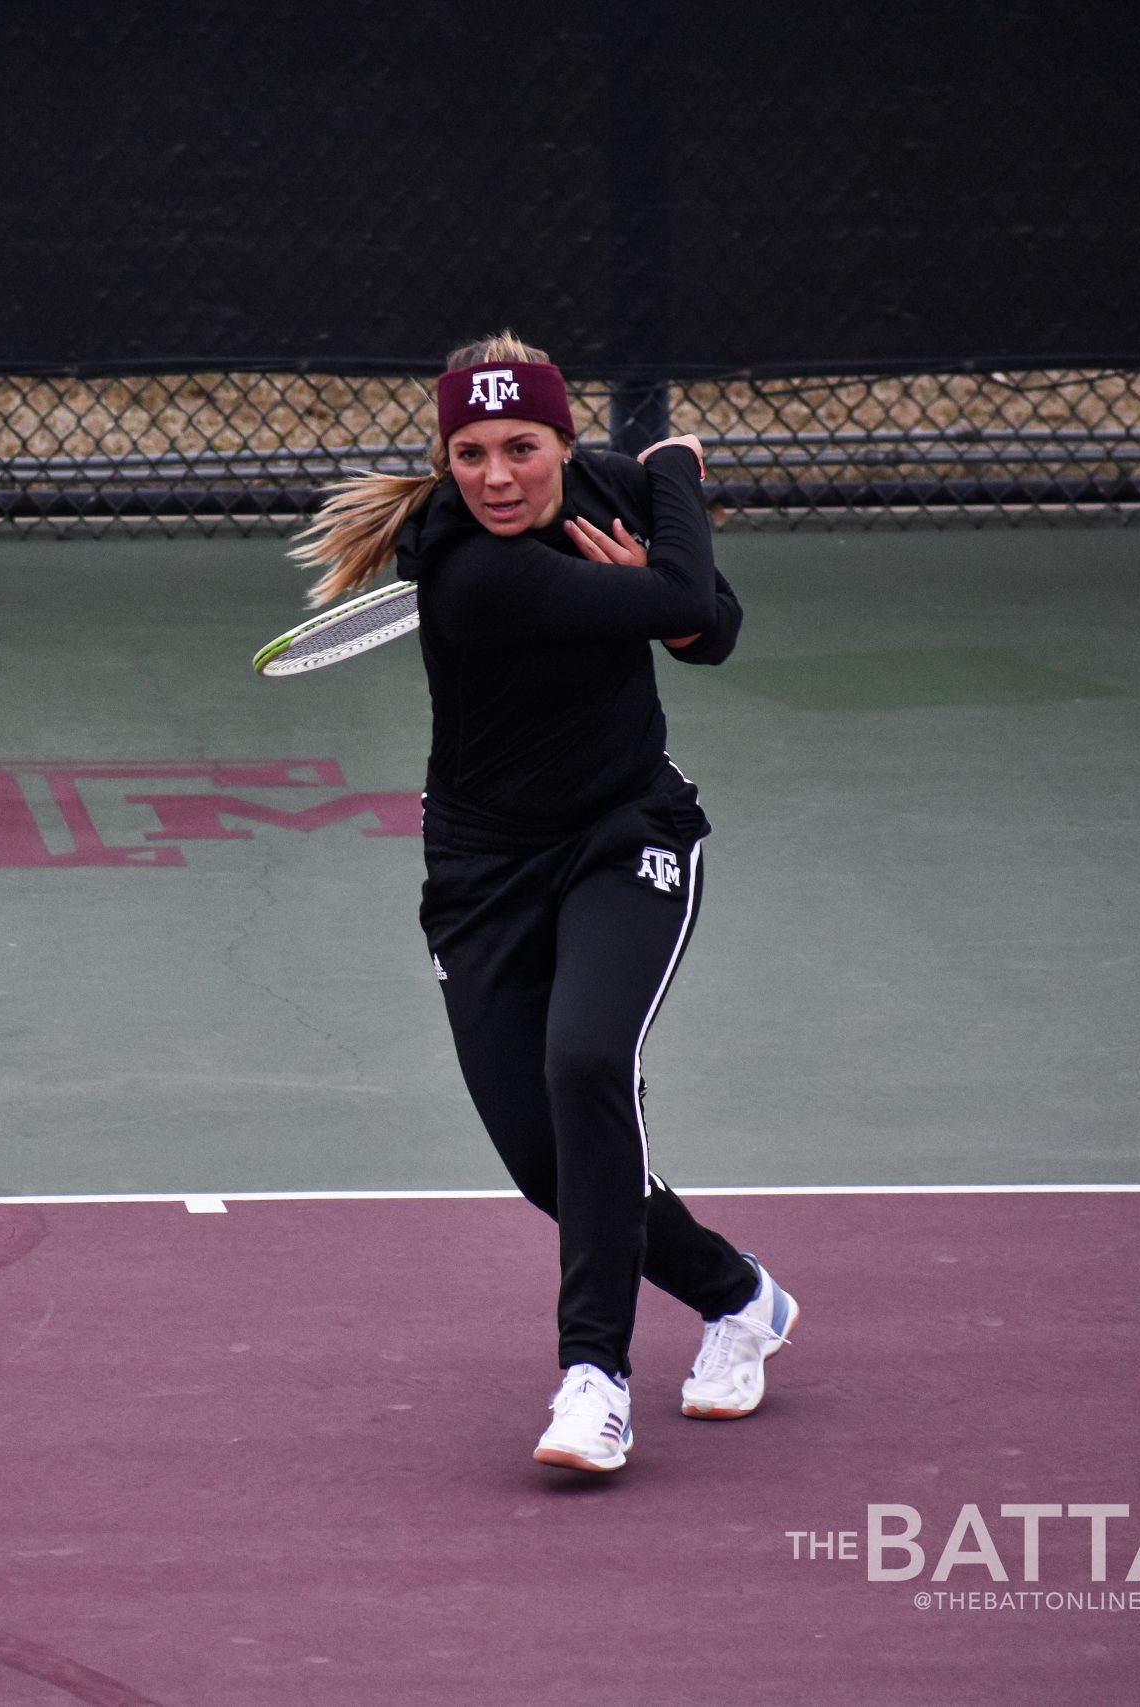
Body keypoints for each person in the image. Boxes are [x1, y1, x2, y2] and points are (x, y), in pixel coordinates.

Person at [289, 332, 797, 1473]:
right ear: (443, 460)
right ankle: (740, 1298)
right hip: (481, 878)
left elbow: (709, 632)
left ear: (567, 443)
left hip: (627, 838)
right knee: (544, 1166)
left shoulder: (596, 493)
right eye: (468, 454)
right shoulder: (470, 571)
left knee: (585, 1067)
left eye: (522, 448)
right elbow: (677, 588)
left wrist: (666, 598)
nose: (497, 477)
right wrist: (674, 471)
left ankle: (593, 1382)